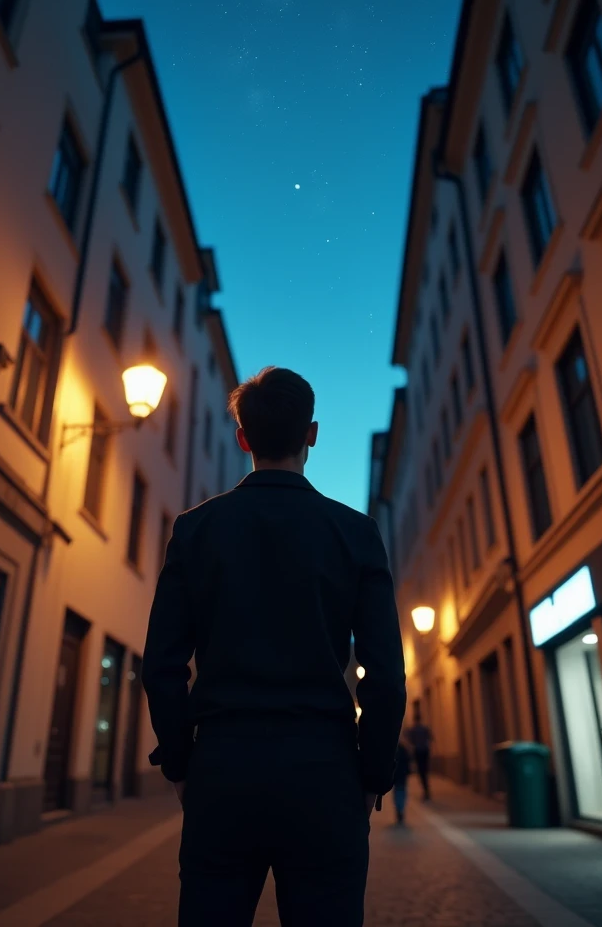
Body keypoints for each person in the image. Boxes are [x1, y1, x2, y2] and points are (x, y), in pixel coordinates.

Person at [142, 366, 406, 927]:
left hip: (223, 767)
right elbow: (384, 674)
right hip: (324, 772)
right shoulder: (355, 532)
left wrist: (183, 764)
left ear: (243, 438)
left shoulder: (195, 530)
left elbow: (163, 665)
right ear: (311, 434)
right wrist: (372, 775)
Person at [405, 710, 433, 801]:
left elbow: (409, 739)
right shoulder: (424, 728)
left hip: (418, 751)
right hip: (425, 751)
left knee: (421, 772)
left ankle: (426, 791)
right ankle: (426, 790)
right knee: (424, 771)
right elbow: (431, 738)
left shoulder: (414, 729)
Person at [393, 742, 411, 825]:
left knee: (397, 792)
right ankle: (400, 809)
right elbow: (408, 762)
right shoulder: (403, 749)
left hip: (396, 775)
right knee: (402, 792)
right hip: (402, 775)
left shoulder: (394, 749)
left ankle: (399, 809)